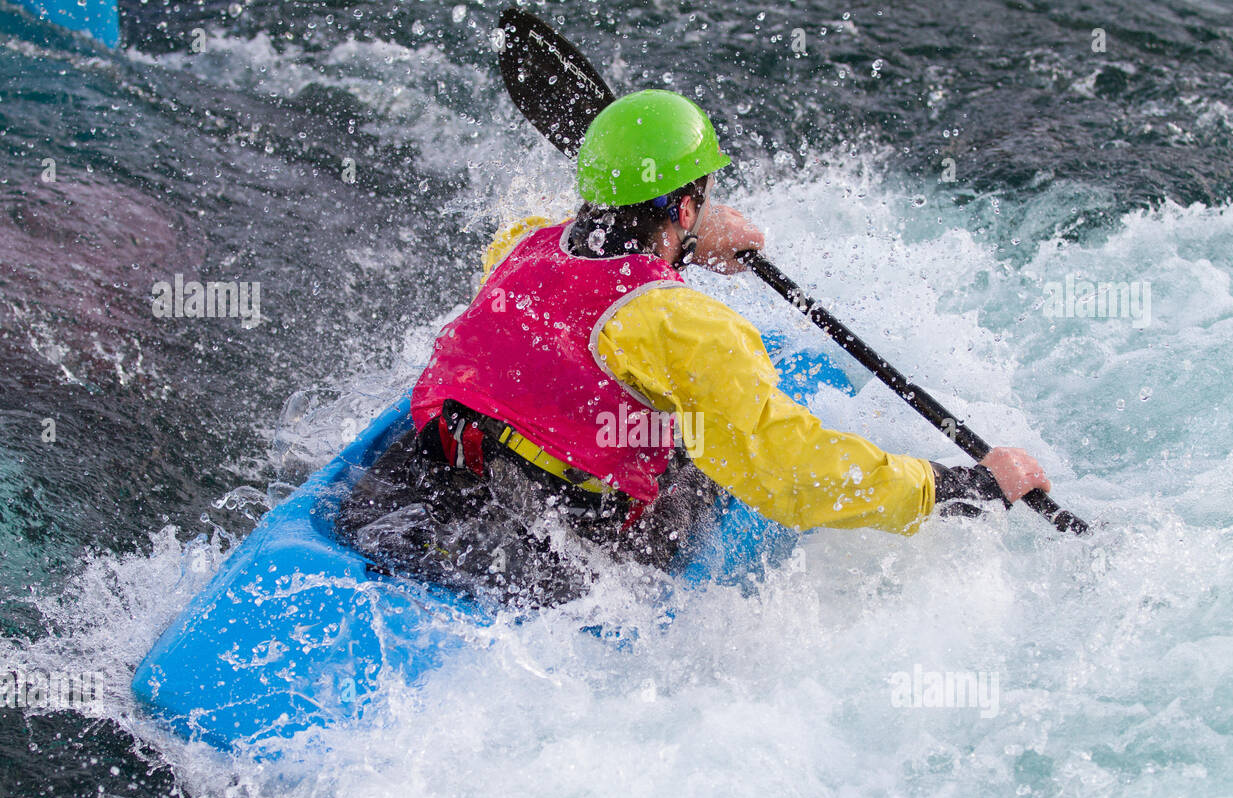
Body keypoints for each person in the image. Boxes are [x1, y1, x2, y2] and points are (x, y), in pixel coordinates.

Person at [337, 90, 1051, 606]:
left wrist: (684, 236)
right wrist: (968, 487)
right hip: (553, 538)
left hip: (432, 469)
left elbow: (595, 254)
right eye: (698, 201)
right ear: (683, 208)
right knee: (696, 445)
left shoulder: (520, 245)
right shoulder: (685, 327)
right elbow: (790, 476)